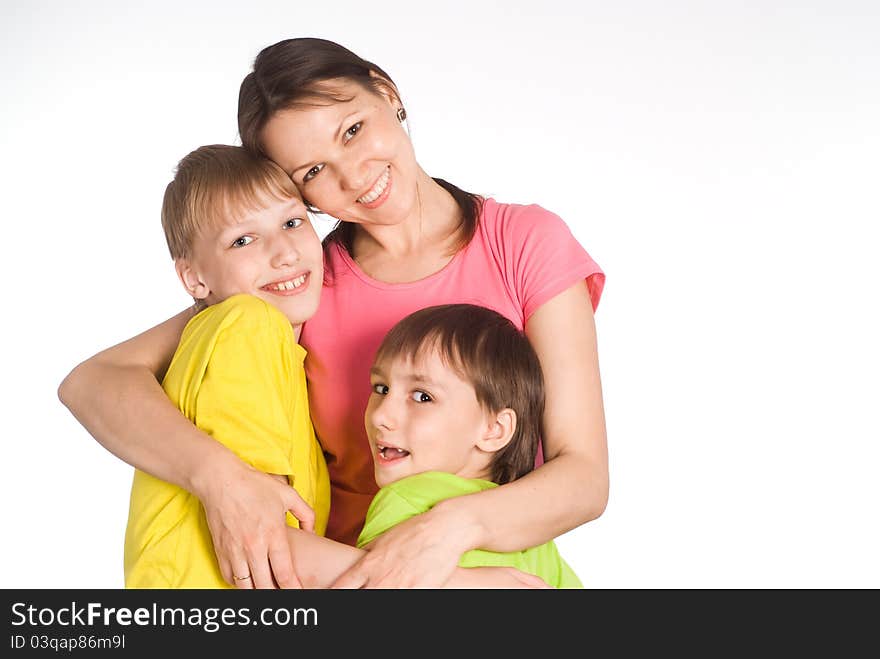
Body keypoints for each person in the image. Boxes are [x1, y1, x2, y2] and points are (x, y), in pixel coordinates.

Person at [58, 37, 608, 589]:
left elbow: (583, 477)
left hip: (502, 571)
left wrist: (447, 534)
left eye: (352, 130)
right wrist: (219, 479)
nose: (354, 175)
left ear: (386, 92)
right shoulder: (301, 283)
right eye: (314, 171)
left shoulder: (523, 243)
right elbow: (95, 381)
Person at [124, 144, 330, 587]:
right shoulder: (248, 327)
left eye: (292, 222)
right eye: (243, 239)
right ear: (195, 279)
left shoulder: (259, 348)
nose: (285, 253)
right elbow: (269, 546)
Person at [281, 303, 579, 588]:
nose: (381, 415)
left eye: (422, 396)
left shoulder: (410, 498)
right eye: (381, 389)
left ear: (494, 430)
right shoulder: (535, 536)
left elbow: (284, 557)